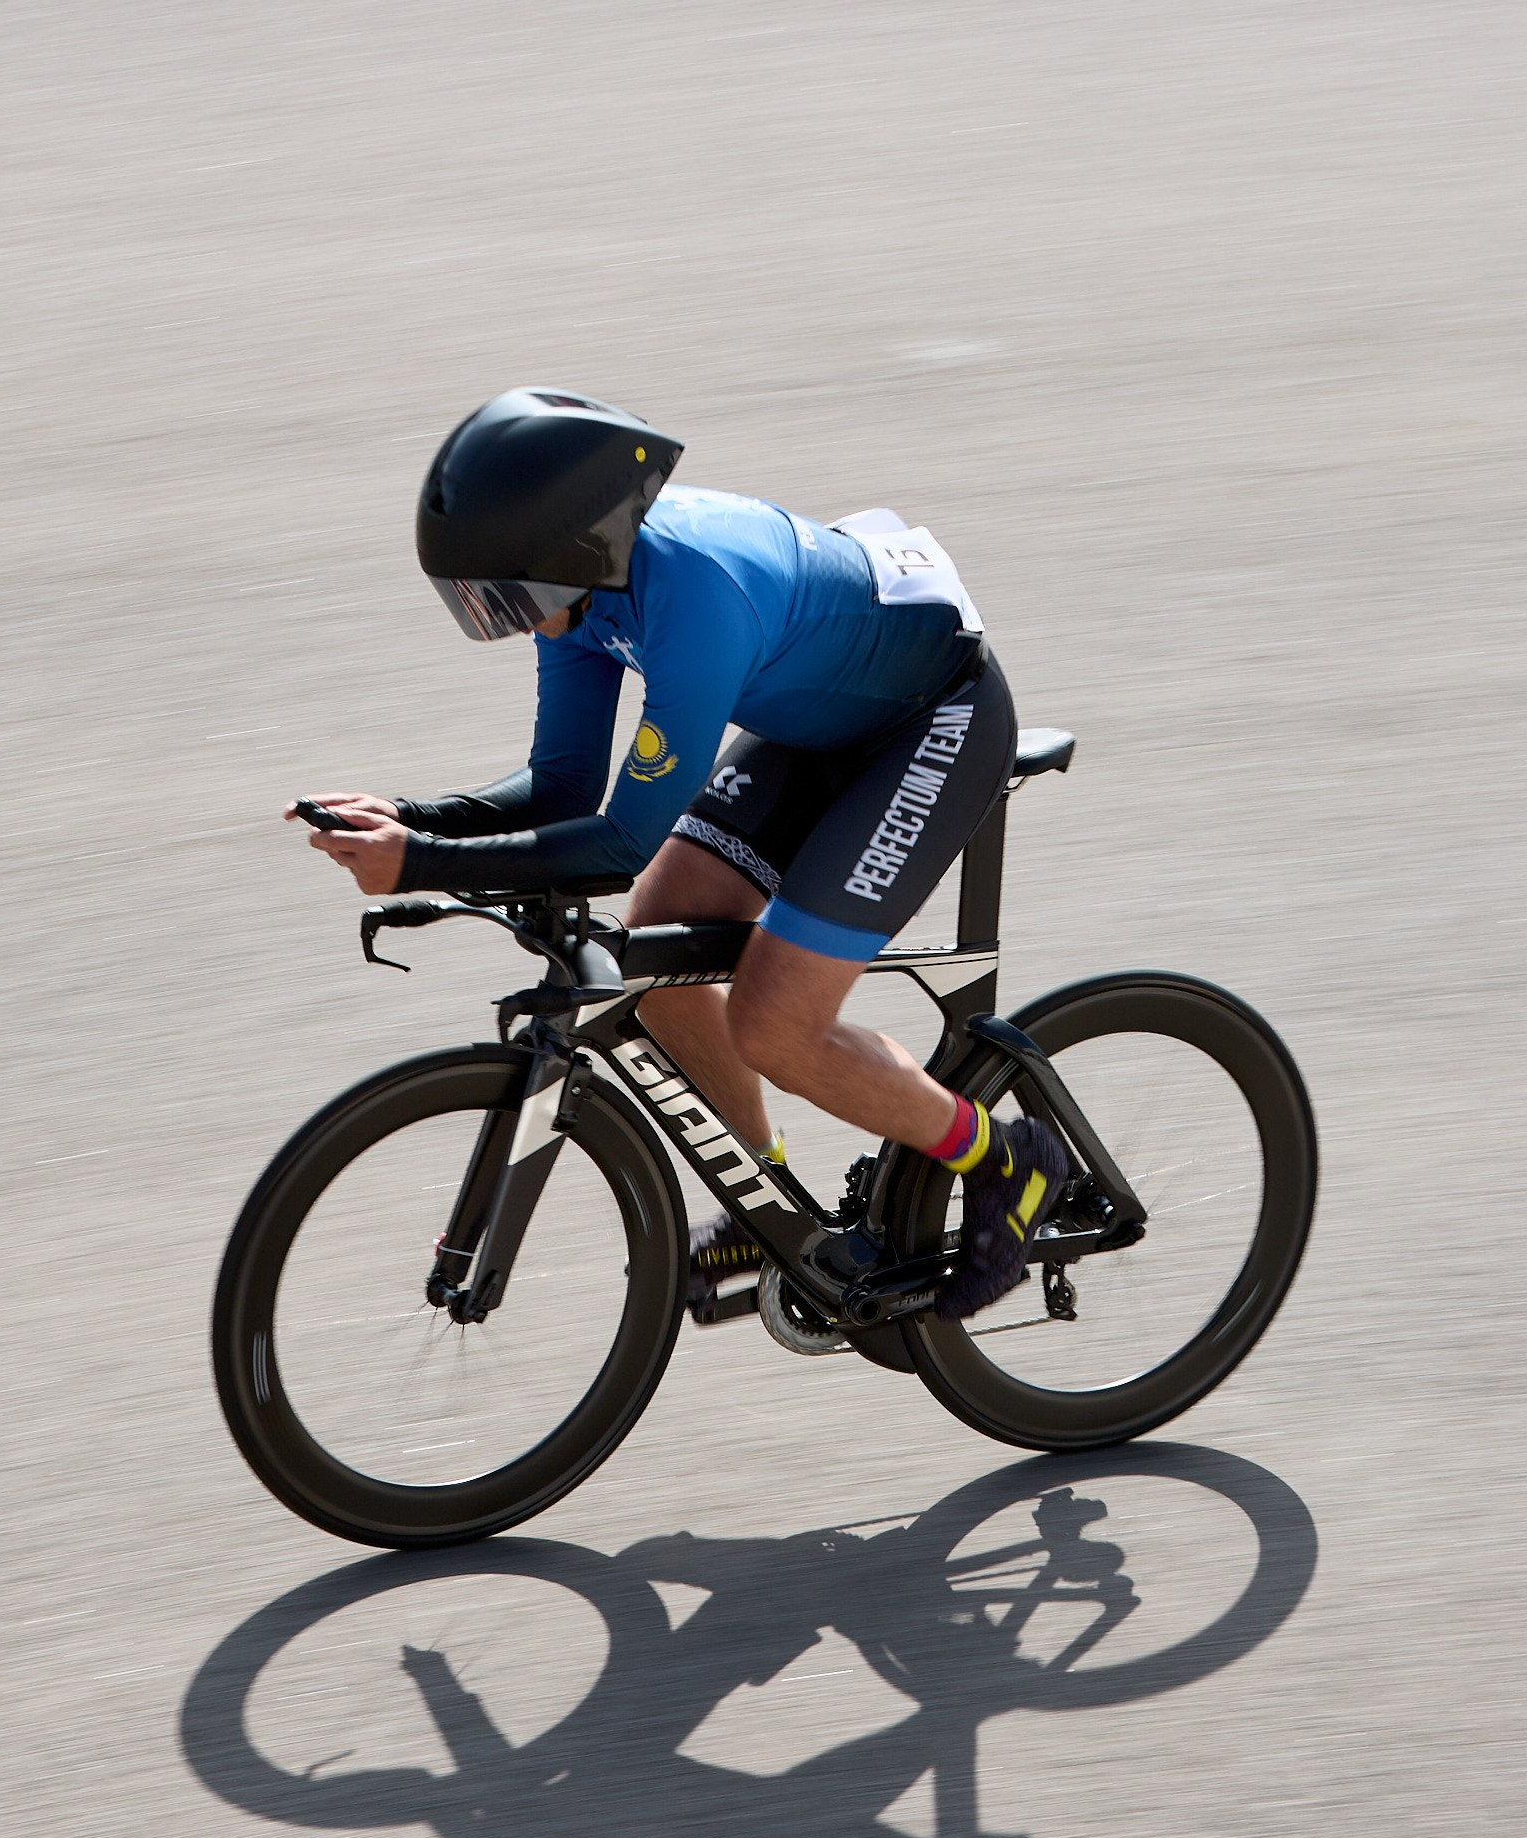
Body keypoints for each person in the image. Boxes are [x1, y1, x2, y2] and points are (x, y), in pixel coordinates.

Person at [286, 386, 1065, 1321]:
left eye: (507, 594)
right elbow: (563, 791)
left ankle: (1005, 1159)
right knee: (656, 940)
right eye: (482, 601)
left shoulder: (695, 595)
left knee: (777, 1025)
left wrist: (417, 865)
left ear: (570, 550)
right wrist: (413, 820)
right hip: (822, 722)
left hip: (933, 728)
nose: (509, 618)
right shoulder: (581, 593)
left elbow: (619, 840)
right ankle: (767, 1199)